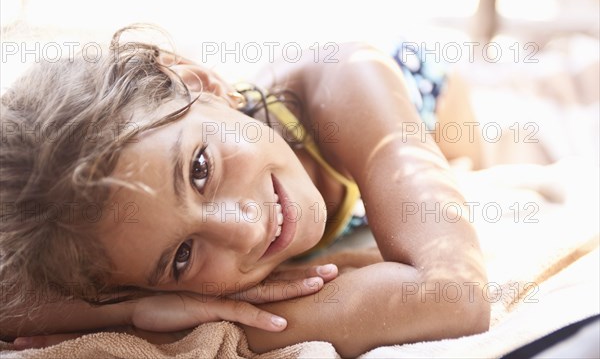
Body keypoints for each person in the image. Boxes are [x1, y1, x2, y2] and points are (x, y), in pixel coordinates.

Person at [1, 26, 490, 357]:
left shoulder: (344, 81)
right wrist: (130, 307)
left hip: (434, 105)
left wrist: (155, 329)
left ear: (199, 82)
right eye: (181, 256)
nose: (247, 226)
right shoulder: (102, 237)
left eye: (199, 170)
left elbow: (455, 293)